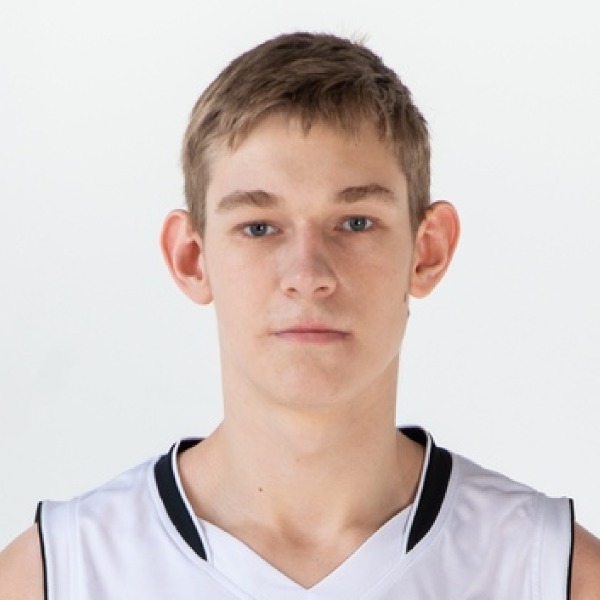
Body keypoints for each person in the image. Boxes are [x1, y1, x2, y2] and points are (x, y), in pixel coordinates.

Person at [1, 31, 599, 600]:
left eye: (356, 223)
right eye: (259, 227)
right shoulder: (58, 577)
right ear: (191, 258)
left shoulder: (551, 575)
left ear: (428, 250)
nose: (308, 273)